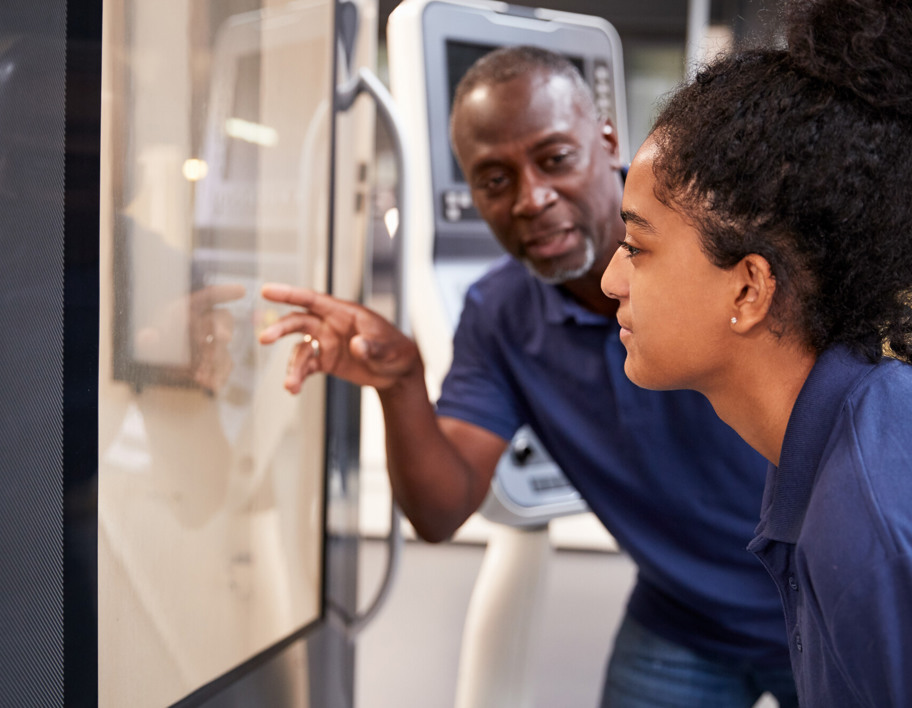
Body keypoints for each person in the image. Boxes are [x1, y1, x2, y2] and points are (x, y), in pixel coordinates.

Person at [260, 46, 798, 706]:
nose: (531, 198)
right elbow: (440, 507)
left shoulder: (723, 239)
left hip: (821, 598)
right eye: (494, 179)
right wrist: (399, 383)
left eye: (555, 159)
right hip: (685, 618)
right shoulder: (500, 314)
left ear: (606, 142)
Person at [600, 1, 912, 705]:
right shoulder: (824, 445)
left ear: (748, 289)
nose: (611, 280)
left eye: (638, 247)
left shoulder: (871, 528)